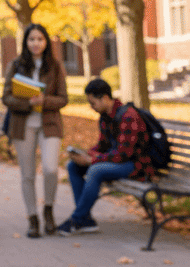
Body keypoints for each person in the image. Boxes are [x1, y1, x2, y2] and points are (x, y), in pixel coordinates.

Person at [58, 78, 157, 236]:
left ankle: (77, 219)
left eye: (93, 103)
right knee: (73, 166)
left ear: (104, 98)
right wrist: (85, 154)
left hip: (136, 165)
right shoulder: (105, 117)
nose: (92, 107)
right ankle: (86, 219)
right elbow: (103, 146)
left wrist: (92, 160)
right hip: (119, 162)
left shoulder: (128, 116)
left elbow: (124, 154)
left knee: (96, 170)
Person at [2, 23, 68, 238]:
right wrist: (28, 103)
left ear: (46, 42)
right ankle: (32, 218)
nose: (36, 43)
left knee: (50, 169)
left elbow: (64, 98)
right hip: (23, 125)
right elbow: (6, 97)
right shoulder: (16, 65)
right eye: (32, 39)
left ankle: (48, 209)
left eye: (40, 39)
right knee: (27, 174)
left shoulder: (55, 66)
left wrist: (44, 100)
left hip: (49, 124)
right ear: (26, 42)